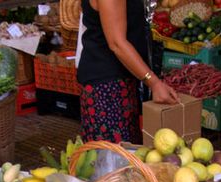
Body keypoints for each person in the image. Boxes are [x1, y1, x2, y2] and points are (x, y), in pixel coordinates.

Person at [77, 0, 180, 144]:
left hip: (119, 79)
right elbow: (117, 44)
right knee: (114, 158)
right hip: (107, 87)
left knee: (127, 156)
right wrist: (154, 83)